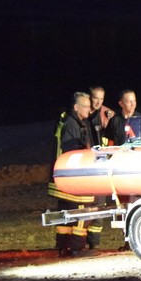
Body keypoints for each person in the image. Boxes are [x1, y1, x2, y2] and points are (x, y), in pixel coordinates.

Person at [48, 92, 97, 256]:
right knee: (85, 209)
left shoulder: (73, 122)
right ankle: (77, 247)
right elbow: (72, 150)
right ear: (76, 107)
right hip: (73, 177)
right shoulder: (72, 124)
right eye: (86, 106)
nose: (89, 109)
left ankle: (63, 246)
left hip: (64, 177)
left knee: (66, 211)